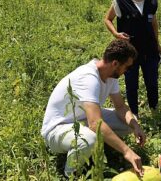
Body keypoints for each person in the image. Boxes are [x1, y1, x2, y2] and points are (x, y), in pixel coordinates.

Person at [41, 40, 146, 177]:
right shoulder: (89, 78)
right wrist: (127, 151)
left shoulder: (110, 75)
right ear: (115, 63)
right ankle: (71, 174)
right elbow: (95, 123)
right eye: (127, 67)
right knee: (90, 139)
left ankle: (97, 145)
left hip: (83, 118)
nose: (127, 72)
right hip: (57, 129)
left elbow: (120, 107)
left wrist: (135, 126)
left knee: (128, 123)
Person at [104, 0, 161, 118]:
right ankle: (134, 114)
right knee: (131, 83)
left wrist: (157, 43)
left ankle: (154, 108)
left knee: (152, 81)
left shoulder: (152, 0)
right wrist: (116, 33)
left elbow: (153, 23)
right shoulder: (120, 1)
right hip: (130, 50)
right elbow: (107, 19)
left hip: (150, 49)